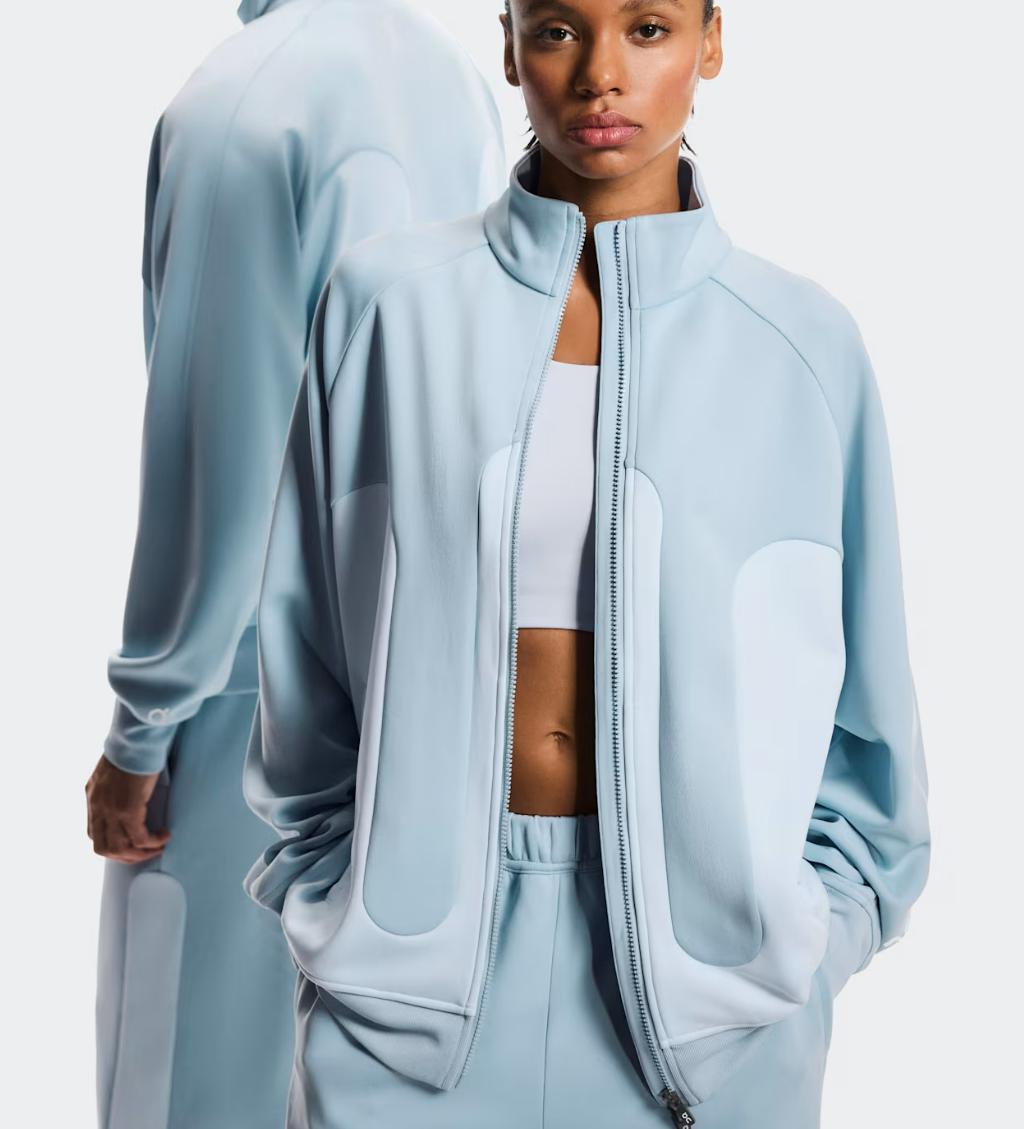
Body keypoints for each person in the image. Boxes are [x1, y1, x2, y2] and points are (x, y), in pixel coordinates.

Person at [242, 2, 931, 1126]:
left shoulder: (803, 346)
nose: (601, 74)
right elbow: (302, 646)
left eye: (648, 28)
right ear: (510, 44)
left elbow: (871, 723)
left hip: (711, 1020)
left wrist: (806, 948)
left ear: (711, 42)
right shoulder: (386, 307)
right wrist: (329, 895)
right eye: (560, 29)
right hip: (405, 994)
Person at [84, 2, 506, 1127]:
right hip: (429, 700)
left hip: (248, 715)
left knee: (188, 1082)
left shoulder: (243, 104)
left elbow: (214, 453)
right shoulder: (460, 82)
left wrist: (142, 728)